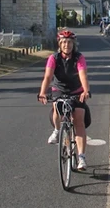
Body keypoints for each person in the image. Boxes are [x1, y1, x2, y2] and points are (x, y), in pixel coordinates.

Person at [37, 29, 91, 171]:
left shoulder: (79, 58)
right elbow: (48, 77)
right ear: (60, 44)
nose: (67, 45)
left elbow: (83, 75)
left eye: (70, 42)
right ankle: (56, 130)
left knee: (79, 119)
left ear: (74, 44)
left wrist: (85, 90)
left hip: (76, 91)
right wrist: (42, 92)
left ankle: (81, 158)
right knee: (57, 106)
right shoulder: (53, 58)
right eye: (64, 42)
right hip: (59, 90)